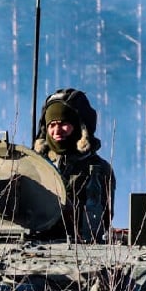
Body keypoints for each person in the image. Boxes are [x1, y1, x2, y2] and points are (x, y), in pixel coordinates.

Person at [35, 87, 115, 242]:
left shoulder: (98, 169)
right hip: (35, 242)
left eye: (64, 124)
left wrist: (70, 212)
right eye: (52, 125)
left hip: (81, 248)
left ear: (80, 127)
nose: (57, 130)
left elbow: (104, 218)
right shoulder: (34, 165)